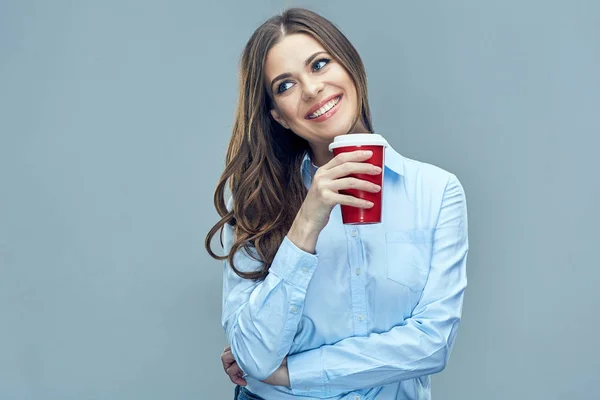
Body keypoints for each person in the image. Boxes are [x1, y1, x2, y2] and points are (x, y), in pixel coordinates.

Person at [205, 7, 469, 400]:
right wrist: (307, 221)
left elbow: (431, 344)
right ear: (278, 116)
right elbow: (254, 356)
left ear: (350, 66)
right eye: (285, 85)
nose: (311, 89)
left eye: (320, 64)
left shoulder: (436, 191)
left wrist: (289, 373)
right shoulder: (255, 199)